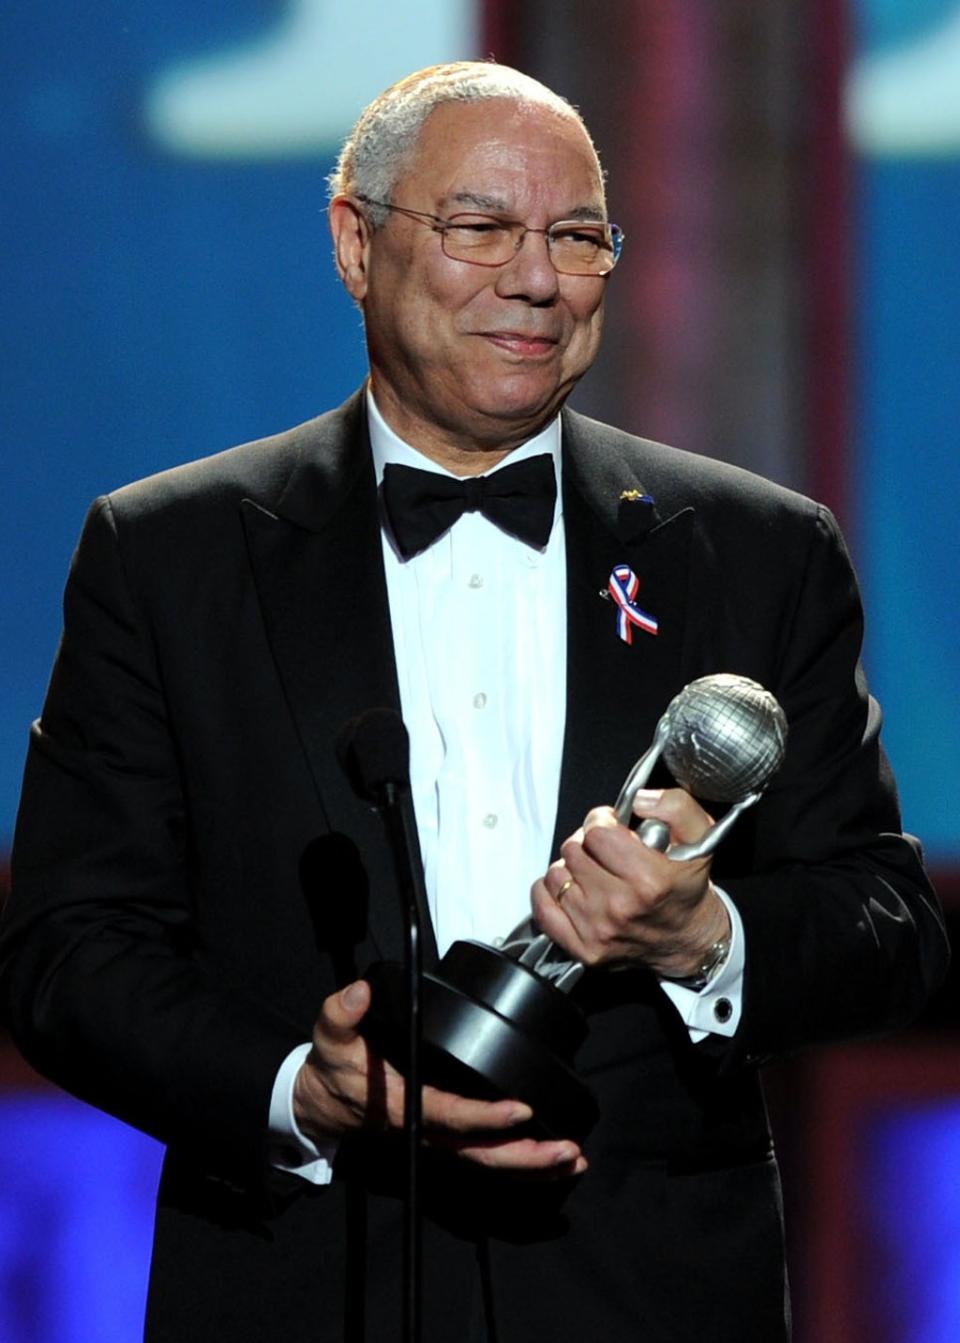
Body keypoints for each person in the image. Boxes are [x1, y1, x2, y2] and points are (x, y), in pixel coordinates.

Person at [0, 61, 947, 1343]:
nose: (538, 280)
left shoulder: (757, 549)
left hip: (647, 1288)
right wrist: (299, 1085)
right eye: (481, 227)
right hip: (300, 1277)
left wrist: (703, 939)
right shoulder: (168, 554)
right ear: (355, 240)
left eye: (576, 237)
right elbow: (72, 948)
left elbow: (886, 924)